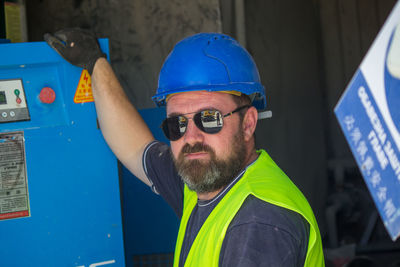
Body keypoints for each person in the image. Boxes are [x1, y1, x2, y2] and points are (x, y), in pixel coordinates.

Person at [45, 29, 324, 266]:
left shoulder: (257, 223)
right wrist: (95, 63)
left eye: (209, 119)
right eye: (177, 124)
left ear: (248, 123)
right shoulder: (205, 179)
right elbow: (134, 145)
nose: (191, 137)